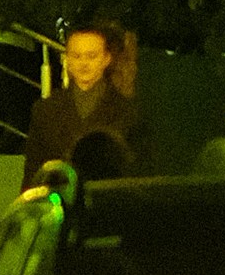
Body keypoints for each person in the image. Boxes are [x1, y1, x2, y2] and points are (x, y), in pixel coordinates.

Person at [22, 22, 140, 175]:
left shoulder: (128, 112)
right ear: (67, 60)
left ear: (106, 59)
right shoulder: (45, 110)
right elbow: (33, 172)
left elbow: (137, 175)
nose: (84, 63)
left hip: (106, 195)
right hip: (60, 194)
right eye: (76, 56)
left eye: (91, 56)